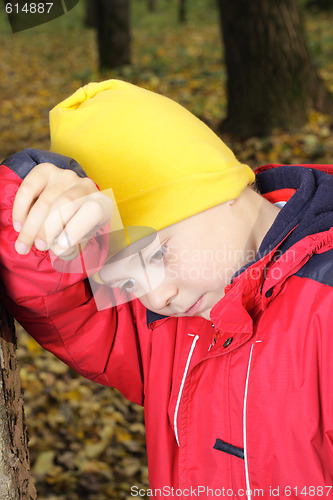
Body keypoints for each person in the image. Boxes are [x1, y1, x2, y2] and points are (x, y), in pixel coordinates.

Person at [1, 79, 333, 500]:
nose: (155, 299)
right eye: (125, 280)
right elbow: (56, 300)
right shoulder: (167, 325)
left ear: (220, 189)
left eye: (157, 254)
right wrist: (32, 210)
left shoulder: (325, 301)